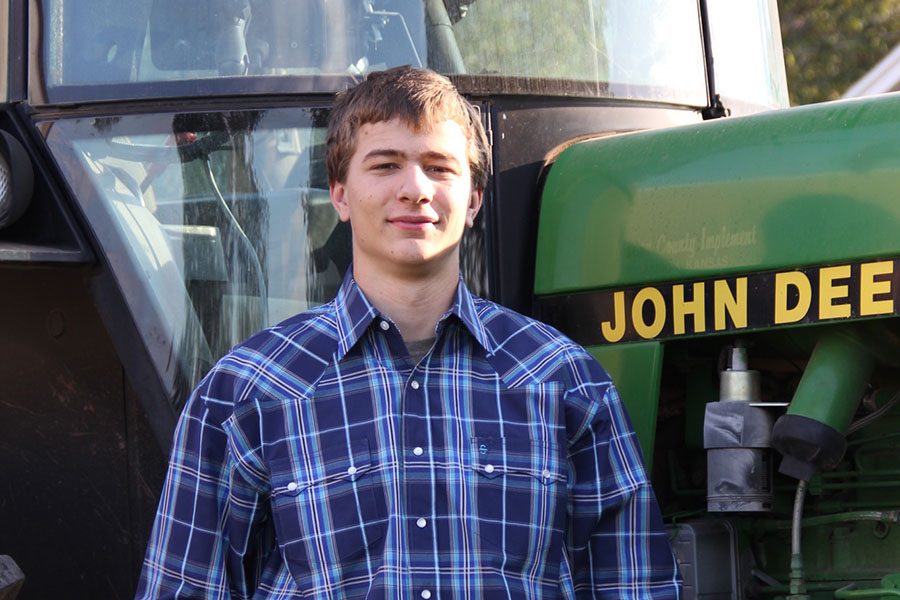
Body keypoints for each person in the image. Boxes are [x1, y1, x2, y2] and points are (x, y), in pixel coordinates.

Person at [135, 65, 681, 599]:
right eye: (385, 165)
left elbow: (633, 584)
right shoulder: (246, 392)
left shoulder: (562, 382)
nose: (415, 189)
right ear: (340, 195)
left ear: (473, 200)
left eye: (440, 168)